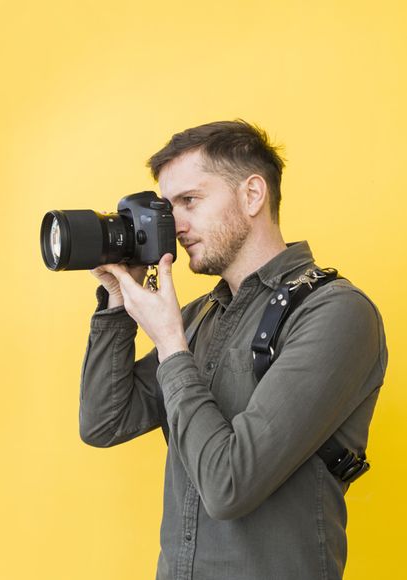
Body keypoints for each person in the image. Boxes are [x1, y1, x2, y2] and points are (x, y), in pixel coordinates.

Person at [79, 120, 387, 580]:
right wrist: (116, 303)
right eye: (167, 208)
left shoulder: (335, 313)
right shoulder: (200, 317)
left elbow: (229, 487)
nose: (174, 226)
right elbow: (104, 422)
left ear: (252, 195)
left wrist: (170, 345)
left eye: (190, 201)